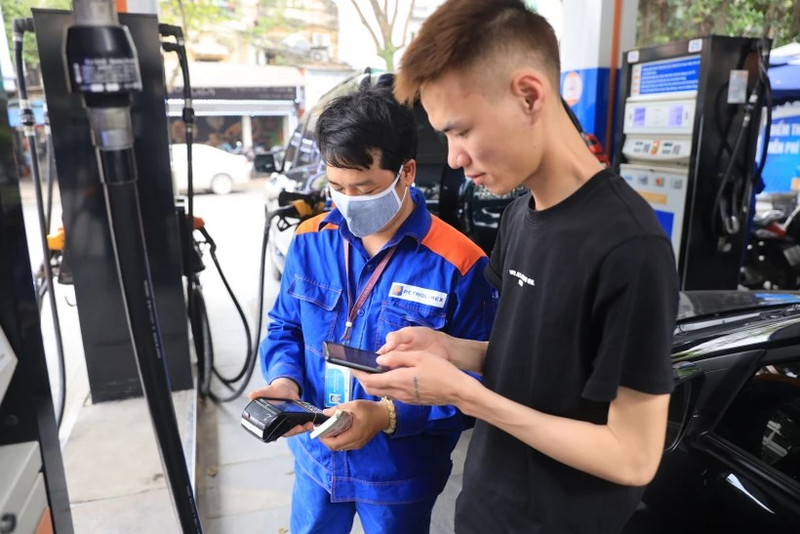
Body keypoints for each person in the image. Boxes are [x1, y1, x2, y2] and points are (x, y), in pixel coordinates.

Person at [354, 1, 680, 533]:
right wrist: (450, 349)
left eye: (461, 131)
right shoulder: (518, 217)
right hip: (485, 509)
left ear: (529, 95)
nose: (454, 158)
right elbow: (536, 361)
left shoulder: (630, 247)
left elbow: (632, 456)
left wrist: (463, 393)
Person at [248, 83, 497, 534]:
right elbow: (285, 326)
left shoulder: (459, 264)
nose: (348, 200)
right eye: (336, 186)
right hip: (316, 457)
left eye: (364, 188)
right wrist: (285, 381)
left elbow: (477, 386)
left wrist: (387, 416)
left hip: (399, 473)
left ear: (407, 172)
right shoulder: (311, 239)